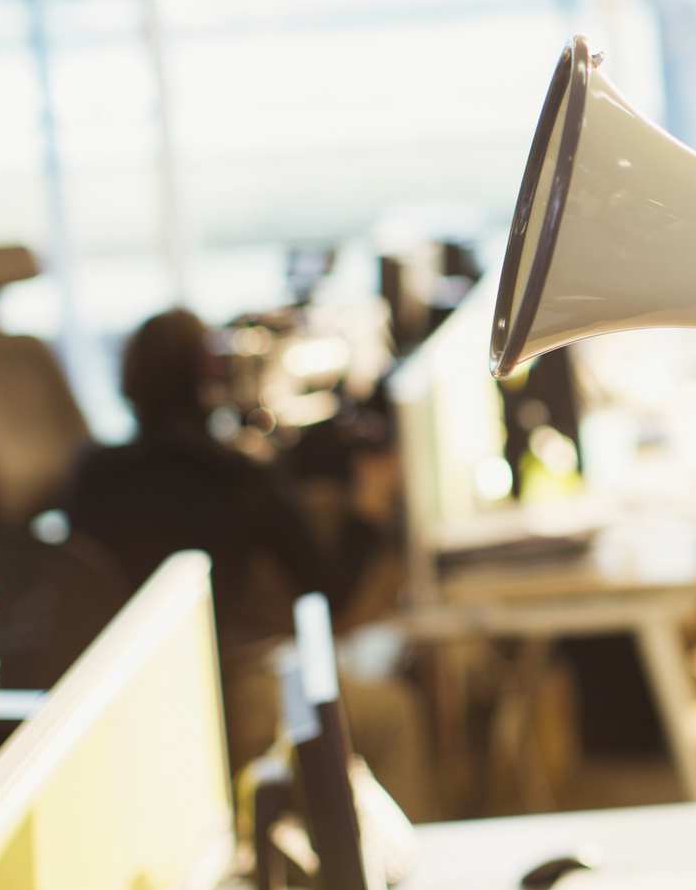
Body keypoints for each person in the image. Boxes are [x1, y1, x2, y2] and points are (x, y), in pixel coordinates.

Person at [65, 308, 431, 817]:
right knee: (393, 715)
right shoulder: (237, 476)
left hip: (127, 701)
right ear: (212, 377)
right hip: (227, 693)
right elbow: (329, 597)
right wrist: (366, 512)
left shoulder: (90, 475)